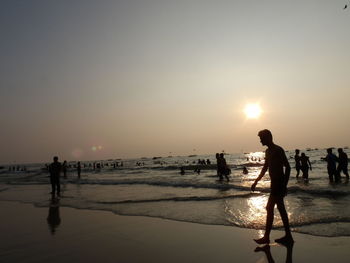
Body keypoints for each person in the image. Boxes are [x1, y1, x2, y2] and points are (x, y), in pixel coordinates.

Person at [251, 129, 293, 244]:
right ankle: (288, 236)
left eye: (261, 138)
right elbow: (265, 168)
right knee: (280, 209)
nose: (260, 141)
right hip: (274, 184)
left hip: (279, 184)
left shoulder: (278, 150)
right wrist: (256, 181)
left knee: (270, 208)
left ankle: (268, 237)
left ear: (268, 137)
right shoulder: (267, 152)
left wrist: (284, 185)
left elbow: (288, 167)